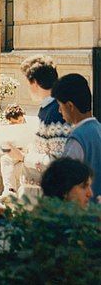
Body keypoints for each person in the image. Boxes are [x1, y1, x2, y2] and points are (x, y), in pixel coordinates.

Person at [19, 55, 71, 201]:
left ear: (34, 82)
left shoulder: (57, 112)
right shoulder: (48, 108)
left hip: (49, 198)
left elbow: (59, 161)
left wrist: (24, 157)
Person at [52, 73, 101, 202]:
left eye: (60, 105)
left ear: (70, 106)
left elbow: (65, 182)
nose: (59, 111)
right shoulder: (98, 129)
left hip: (85, 214)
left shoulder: (77, 139)